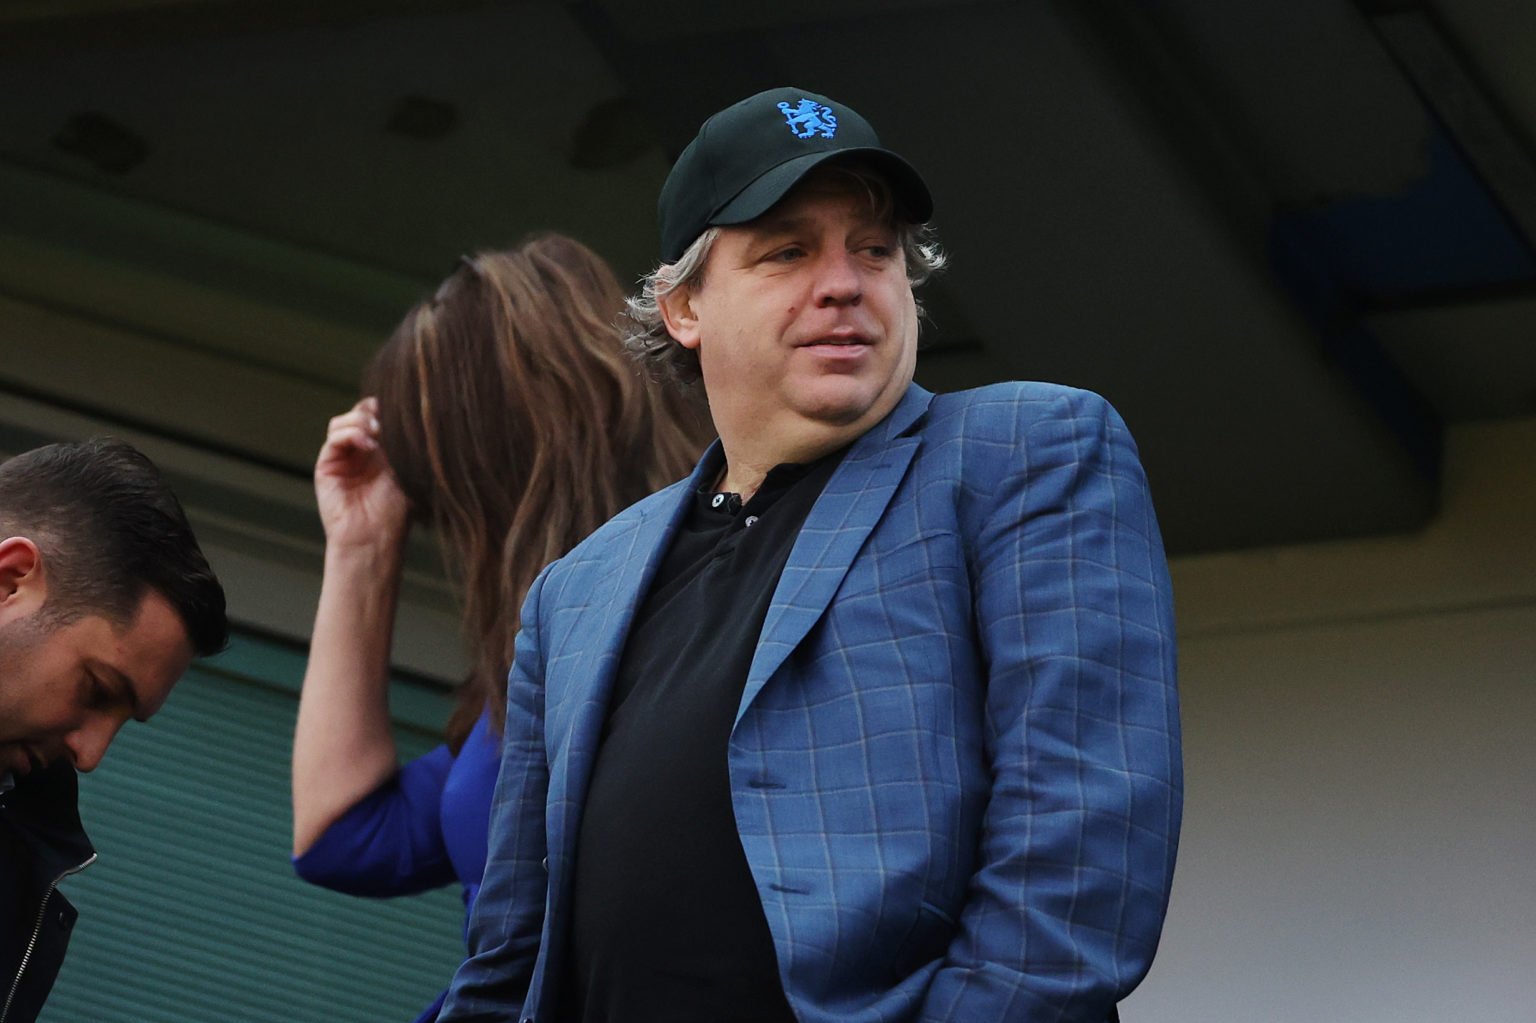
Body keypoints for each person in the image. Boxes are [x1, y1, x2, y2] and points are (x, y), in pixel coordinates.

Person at [439, 87, 1183, 1023]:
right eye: (788, 250)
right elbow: (513, 946)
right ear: (683, 308)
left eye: (874, 249)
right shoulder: (575, 589)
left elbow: (1080, 861)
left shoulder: (1023, 450)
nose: (845, 281)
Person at [289, 234, 711, 1023]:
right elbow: (343, 838)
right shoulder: (533, 659)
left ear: (492, 465)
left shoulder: (686, 611)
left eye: (441, 489)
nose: (453, 531)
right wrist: (361, 549)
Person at [0, 437, 228, 1023]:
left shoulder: (19, 867)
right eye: (98, 690)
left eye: (125, 722)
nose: (90, 753)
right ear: (9, 581)